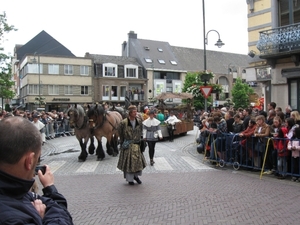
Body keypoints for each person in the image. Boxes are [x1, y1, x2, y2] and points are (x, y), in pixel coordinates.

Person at [0, 116, 74, 224]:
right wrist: (39, 218)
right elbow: (60, 215)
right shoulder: (14, 219)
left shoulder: (18, 192)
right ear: (29, 161)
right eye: (38, 158)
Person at [117, 105, 147, 185]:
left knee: (137, 163)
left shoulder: (139, 121)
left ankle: (136, 176)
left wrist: (142, 139)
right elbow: (120, 133)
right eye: (134, 112)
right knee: (129, 163)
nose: (135, 113)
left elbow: (141, 131)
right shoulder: (123, 123)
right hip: (128, 145)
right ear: (130, 113)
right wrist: (123, 142)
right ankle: (130, 179)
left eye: (136, 111)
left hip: (136, 145)